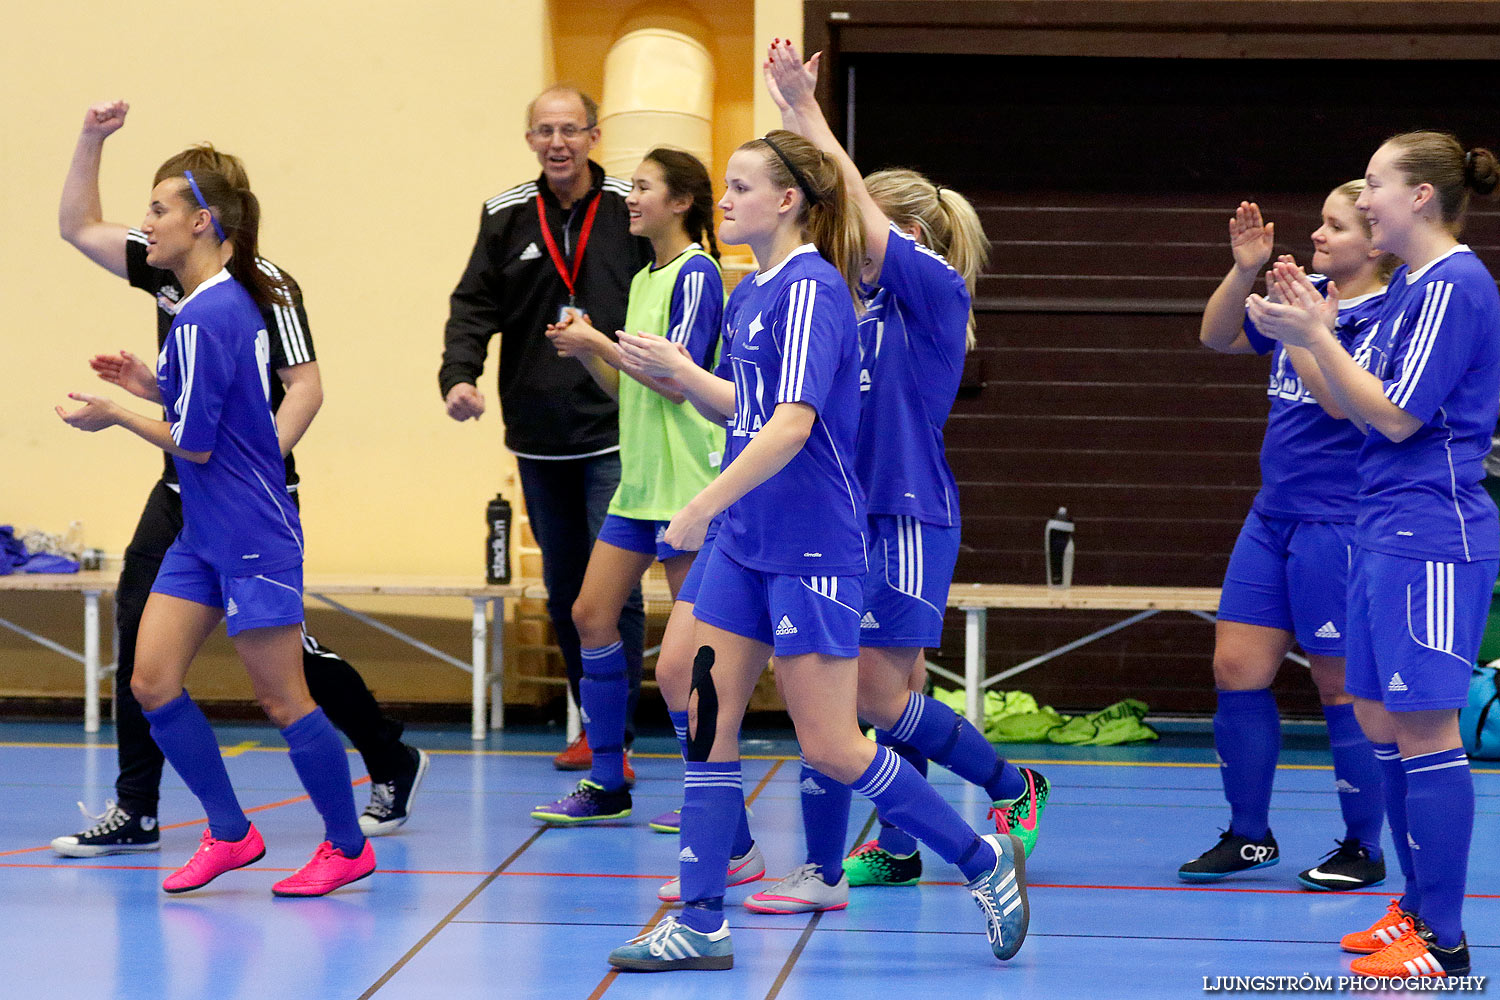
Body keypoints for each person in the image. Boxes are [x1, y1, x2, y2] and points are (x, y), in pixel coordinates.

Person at [605, 129, 1027, 972]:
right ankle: (703, 917)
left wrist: (698, 505)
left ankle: (983, 863)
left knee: (836, 741)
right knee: (700, 706)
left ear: (789, 200)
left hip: (811, 546)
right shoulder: (753, 291)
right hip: (747, 538)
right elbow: (753, 410)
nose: (722, 200)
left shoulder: (813, 291)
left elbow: (793, 427)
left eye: (739, 186)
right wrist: (683, 377)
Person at [52, 101, 426, 859]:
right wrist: (91, 137)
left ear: (203, 219)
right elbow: (77, 226)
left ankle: (380, 771)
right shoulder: (173, 281)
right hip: (187, 499)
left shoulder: (259, 291)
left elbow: (300, 390)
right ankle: (158, 812)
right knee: (148, 659)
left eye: (158, 207)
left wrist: (248, 464)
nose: (143, 222)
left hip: (248, 500)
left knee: (289, 676)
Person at [739, 39, 1049, 915]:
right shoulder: (839, 296)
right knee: (840, 693)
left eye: (868, 220)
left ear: (908, 232)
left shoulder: (940, 294)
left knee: (881, 691)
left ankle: (1000, 786)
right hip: (833, 517)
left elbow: (853, 203)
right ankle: (845, 862)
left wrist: (804, 110)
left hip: (906, 516)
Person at [1248, 131, 1500, 978]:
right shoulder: (1411, 291)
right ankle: (1417, 907)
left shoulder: (1455, 286)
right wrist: (1303, 332)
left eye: (1379, 185)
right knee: (1379, 716)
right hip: (1379, 523)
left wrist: (1319, 332)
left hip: (1433, 530)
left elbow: (1397, 417)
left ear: (1421, 197)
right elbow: (1354, 408)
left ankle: (1444, 938)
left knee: (1427, 727)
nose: (1366, 202)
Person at [1181, 186, 1393, 890]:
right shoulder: (1308, 294)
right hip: (1273, 515)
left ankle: (1362, 845)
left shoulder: (1387, 315)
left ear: (1378, 241)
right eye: (1323, 223)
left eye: (1336, 226)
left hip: (1341, 522)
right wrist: (1245, 271)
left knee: (1341, 685)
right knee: (1235, 667)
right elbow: (1214, 336)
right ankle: (1249, 836)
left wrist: (1306, 333)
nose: (1320, 235)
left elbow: (1344, 405)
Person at [439, 86, 650, 773]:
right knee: (564, 590)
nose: (557, 143)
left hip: (618, 428)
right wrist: (459, 377)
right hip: (537, 434)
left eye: (570, 130)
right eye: (543, 132)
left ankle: (617, 738)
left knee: (609, 589)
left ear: (594, 135)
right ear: (529, 139)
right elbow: (473, 306)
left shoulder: (629, 207)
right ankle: (595, 725)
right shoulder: (504, 216)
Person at [528, 148, 729, 824]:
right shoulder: (645, 276)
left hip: (687, 486)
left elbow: (678, 379)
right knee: (590, 615)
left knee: (694, 652)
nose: (630, 198)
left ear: (679, 202)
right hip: (639, 483)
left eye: (643, 188)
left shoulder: (698, 273)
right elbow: (632, 387)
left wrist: (601, 342)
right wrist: (591, 353)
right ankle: (608, 783)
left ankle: (710, 792)